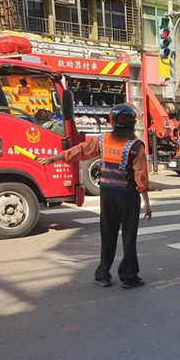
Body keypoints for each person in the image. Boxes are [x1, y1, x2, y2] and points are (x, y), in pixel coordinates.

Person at [38, 104, 152, 289]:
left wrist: (54, 159)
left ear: (112, 123)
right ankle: (129, 277)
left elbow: (80, 151)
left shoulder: (102, 140)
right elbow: (141, 177)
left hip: (107, 196)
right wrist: (147, 203)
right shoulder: (136, 146)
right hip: (128, 197)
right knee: (129, 237)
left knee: (108, 235)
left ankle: (102, 275)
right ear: (132, 124)